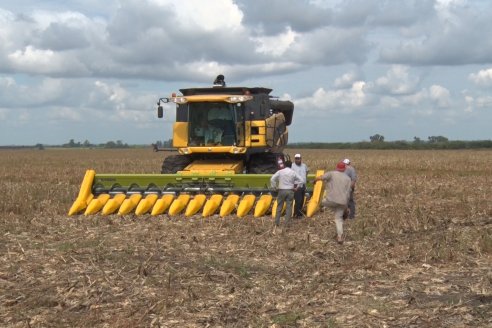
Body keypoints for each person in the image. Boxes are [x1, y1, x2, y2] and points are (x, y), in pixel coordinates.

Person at [314, 162, 351, 244]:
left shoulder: (331, 173)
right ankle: (340, 237)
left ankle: (321, 208)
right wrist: (346, 206)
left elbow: (321, 177)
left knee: (320, 202)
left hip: (331, 200)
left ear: (337, 168)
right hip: (342, 202)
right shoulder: (348, 179)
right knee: (338, 219)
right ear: (344, 169)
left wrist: (315, 180)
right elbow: (348, 193)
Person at [270, 160, 303, 230]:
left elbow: (272, 179)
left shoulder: (280, 171)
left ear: (284, 165)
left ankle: (276, 222)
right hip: (290, 191)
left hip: (281, 191)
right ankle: (287, 223)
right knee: (289, 207)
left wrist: (274, 187)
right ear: (291, 166)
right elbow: (301, 180)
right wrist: (297, 188)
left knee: (279, 206)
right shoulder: (293, 172)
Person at [291, 153, 309, 218]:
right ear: (294, 159)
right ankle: (297, 214)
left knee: (301, 200)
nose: (297, 160)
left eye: (298, 158)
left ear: (301, 159)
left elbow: (307, 171)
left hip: (303, 185)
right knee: (298, 200)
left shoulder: (304, 165)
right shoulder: (292, 166)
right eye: (296, 158)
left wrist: (304, 178)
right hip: (296, 185)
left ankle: (300, 212)